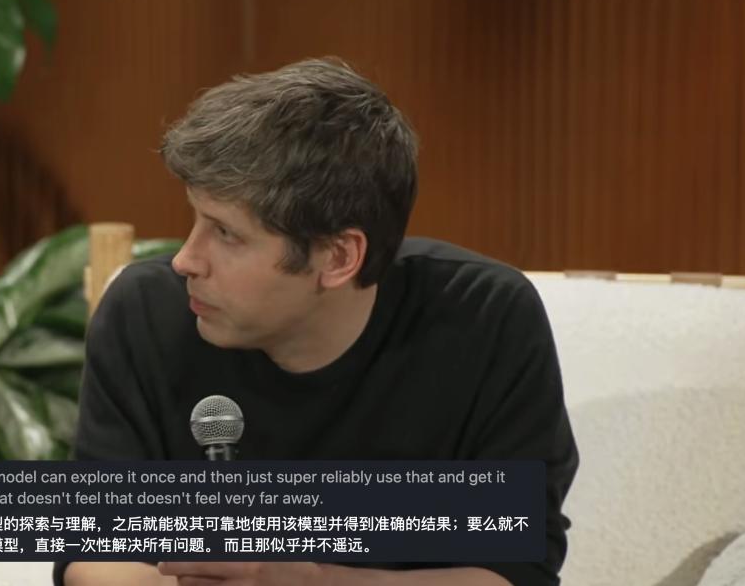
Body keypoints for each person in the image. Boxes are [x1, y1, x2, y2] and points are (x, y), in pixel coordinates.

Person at [56, 58, 578, 586]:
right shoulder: (146, 316)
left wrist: (311, 581)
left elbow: (516, 572)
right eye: (196, 220)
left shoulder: (485, 321)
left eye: (227, 233)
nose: (185, 260)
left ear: (338, 257)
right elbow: (92, 555)